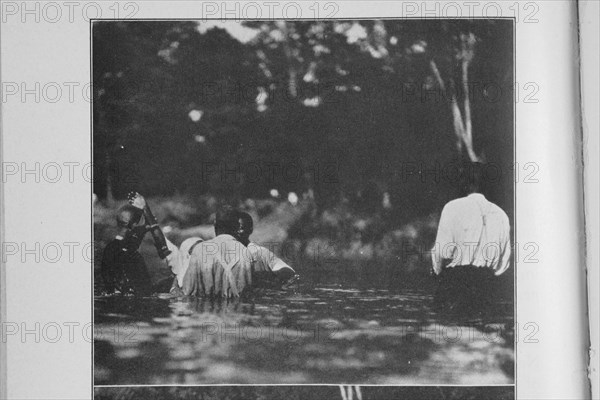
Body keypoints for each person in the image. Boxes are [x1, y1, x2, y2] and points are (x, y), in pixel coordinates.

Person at [431, 162, 511, 316]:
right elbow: (503, 266)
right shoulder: (502, 215)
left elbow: (442, 252)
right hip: (485, 288)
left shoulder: (452, 207)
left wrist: (437, 273)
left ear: (464, 183)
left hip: (456, 284)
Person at [180, 206, 253, 298]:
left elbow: (187, 292)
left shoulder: (200, 249)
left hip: (203, 311)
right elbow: (247, 295)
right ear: (237, 226)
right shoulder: (245, 252)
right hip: (235, 311)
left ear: (215, 224)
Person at [100, 205, 153, 295]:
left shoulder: (110, 248)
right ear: (133, 225)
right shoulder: (131, 255)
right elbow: (144, 290)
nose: (143, 227)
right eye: (140, 224)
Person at [236, 211, 298, 286]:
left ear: (250, 230)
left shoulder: (260, 253)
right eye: (233, 228)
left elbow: (288, 271)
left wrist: (264, 278)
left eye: (241, 228)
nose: (237, 231)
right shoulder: (224, 251)